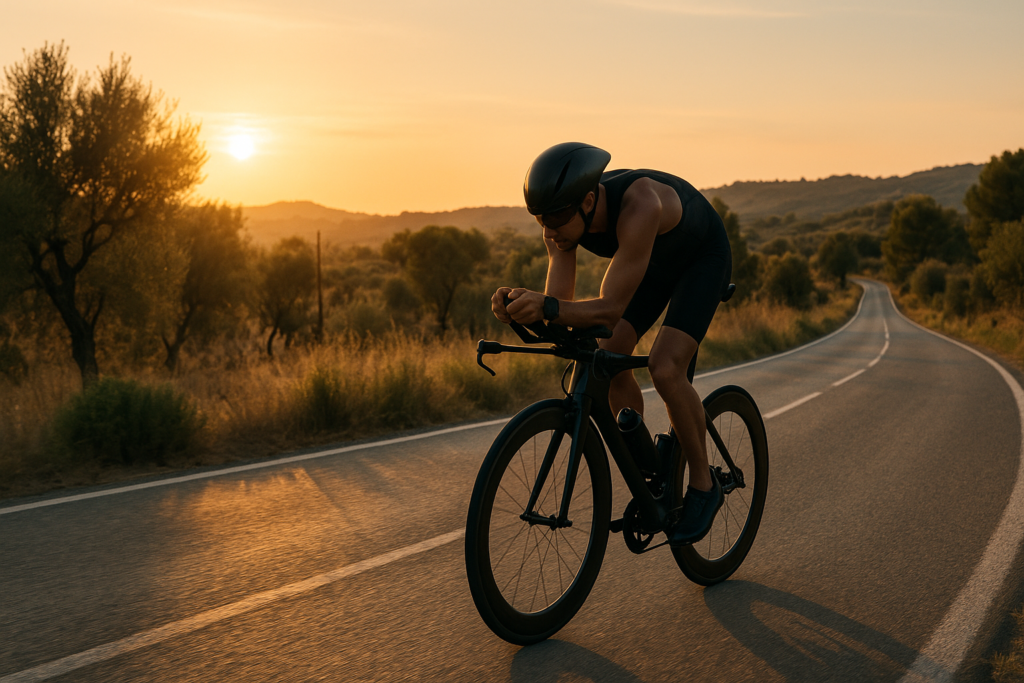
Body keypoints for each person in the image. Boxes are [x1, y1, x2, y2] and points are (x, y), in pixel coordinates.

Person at [491, 142, 733, 546]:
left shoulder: (640, 204)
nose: (549, 230)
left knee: (665, 366)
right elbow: (562, 313)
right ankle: (651, 466)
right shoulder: (563, 223)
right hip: (650, 262)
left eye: (556, 218)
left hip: (700, 259)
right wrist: (518, 309)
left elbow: (607, 310)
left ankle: (704, 486)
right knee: (610, 354)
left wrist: (548, 306)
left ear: (588, 201)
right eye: (540, 220)